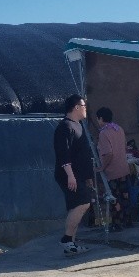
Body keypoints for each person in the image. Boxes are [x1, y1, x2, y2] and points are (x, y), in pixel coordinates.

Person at [53, 94, 95, 256]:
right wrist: (70, 175)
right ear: (76, 107)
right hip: (69, 174)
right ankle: (67, 239)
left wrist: (88, 177)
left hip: (81, 174)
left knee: (76, 206)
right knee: (82, 203)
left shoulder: (79, 125)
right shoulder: (65, 127)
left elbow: (83, 154)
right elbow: (63, 153)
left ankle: (71, 243)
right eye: (84, 106)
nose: (86, 109)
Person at [94, 106, 132, 231]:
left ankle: (117, 224)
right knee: (125, 196)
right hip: (123, 168)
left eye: (98, 119)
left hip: (112, 171)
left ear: (100, 118)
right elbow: (125, 146)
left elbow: (109, 153)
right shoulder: (118, 128)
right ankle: (128, 221)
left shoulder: (104, 133)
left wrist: (102, 167)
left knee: (114, 198)